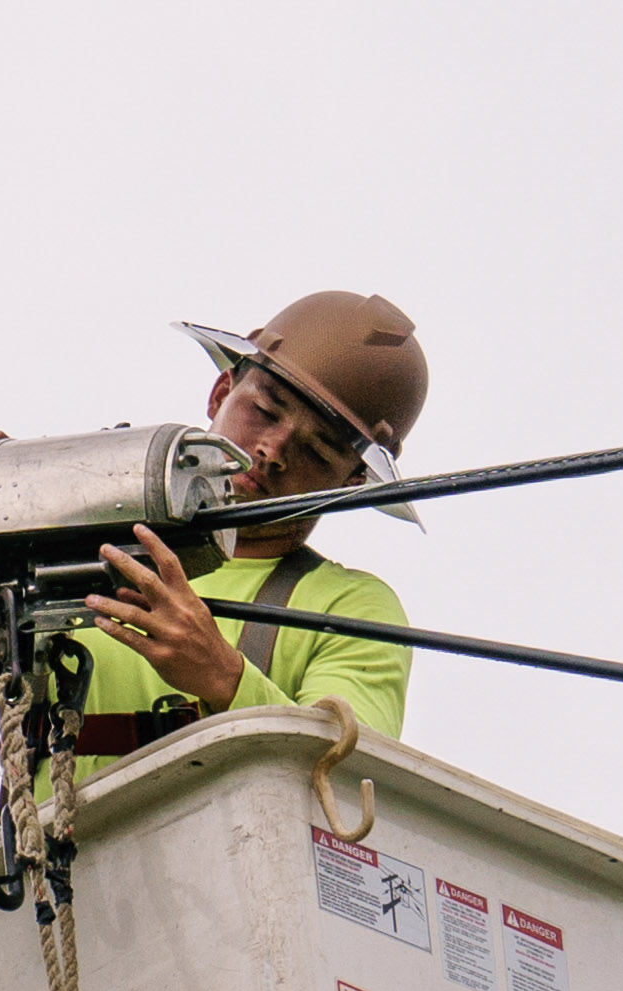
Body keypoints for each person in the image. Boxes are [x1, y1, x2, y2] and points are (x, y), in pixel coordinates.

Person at [75, 292, 427, 756]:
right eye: (264, 411)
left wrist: (223, 676)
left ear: (352, 482)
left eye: (317, 451)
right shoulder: (82, 543)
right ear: (221, 393)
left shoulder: (350, 610)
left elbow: (343, 779)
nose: (272, 450)